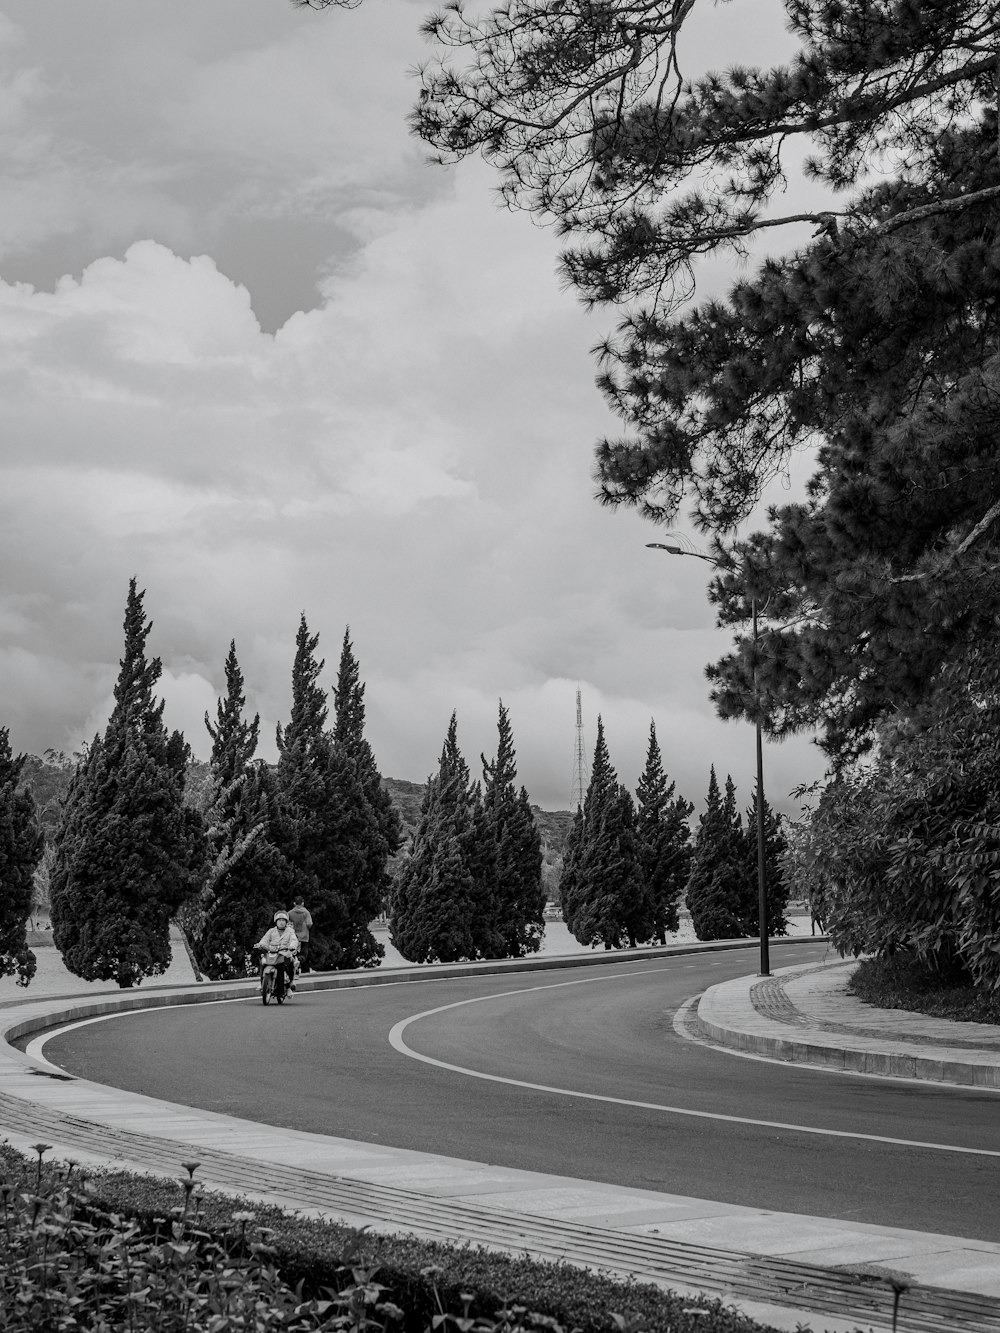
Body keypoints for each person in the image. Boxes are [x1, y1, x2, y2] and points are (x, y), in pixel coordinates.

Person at [255, 910, 299, 997]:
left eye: (283, 920)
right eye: (279, 920)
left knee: (289, 962)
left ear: (286, 922)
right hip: (271, 952)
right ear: (276, 922)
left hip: (285, 953)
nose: (281, 922)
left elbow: (294, 940)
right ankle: (262, 982)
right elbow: (264, 939)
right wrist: (260, 945)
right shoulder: (271, 931)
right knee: (263, 962)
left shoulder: (290, 931)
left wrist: (292, 946)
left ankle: (289, 985)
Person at [287, 896, 314, 971]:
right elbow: (309, 923)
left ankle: (294, 964)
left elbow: (286, 924)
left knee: (292, 952)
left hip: (293, 936)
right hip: (304, 937)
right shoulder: (306, 913)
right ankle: (299, 963)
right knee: (303, 954)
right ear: (303, 903)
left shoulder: (289, 913)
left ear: (294, 903)